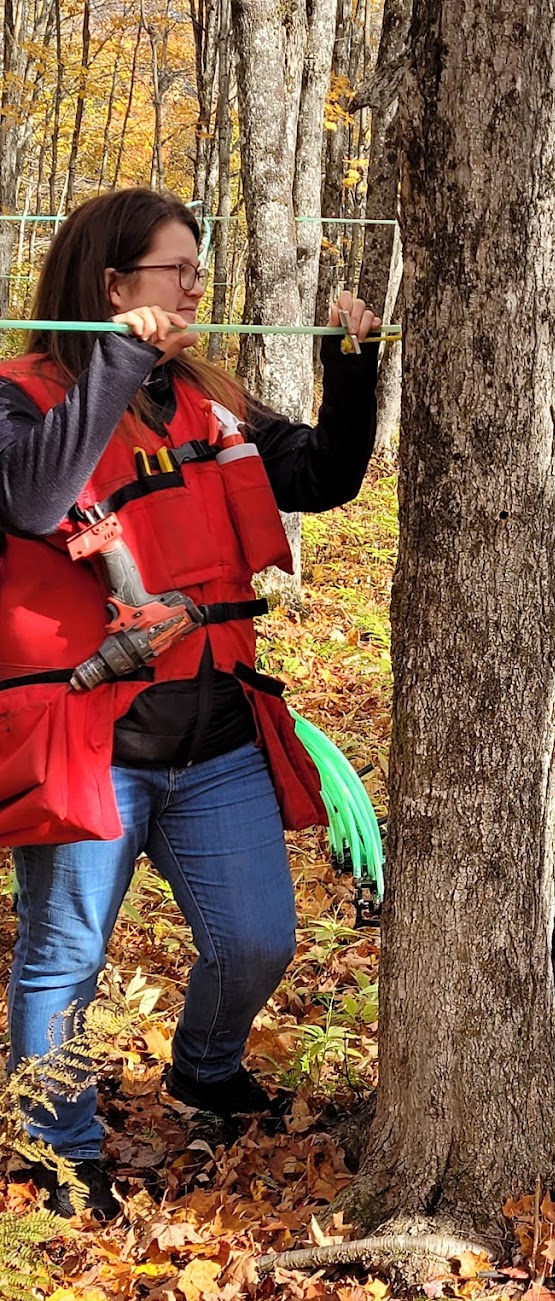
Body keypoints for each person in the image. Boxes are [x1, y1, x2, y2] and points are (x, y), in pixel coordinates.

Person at [0, 189, 381, 1217]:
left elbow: (325, 473)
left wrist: (354, 365)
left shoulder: (209, 397)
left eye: (199, 269)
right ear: (115, 288)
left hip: (214, 731)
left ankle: (204, 1069)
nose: (201, 287)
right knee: (64, 957)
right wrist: (117, 358)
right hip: (94, 738)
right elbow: (34, 499)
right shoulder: (21, 395)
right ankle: (56, 1145)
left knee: (257, 939)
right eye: (180, 269)